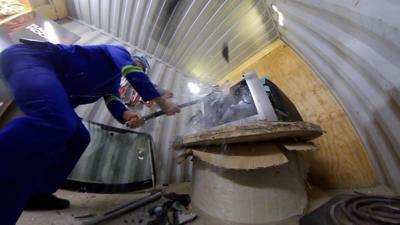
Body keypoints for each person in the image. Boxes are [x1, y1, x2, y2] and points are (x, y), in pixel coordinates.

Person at [0, 40, 180, 225]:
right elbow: (130, 69)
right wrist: (162, 102)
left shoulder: (111, 82)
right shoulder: (117, 51)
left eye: (140, 68)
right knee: (57, 121)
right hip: (30, 58)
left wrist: (128, 116)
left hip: (45, 77)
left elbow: (113, 101)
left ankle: (39, 193)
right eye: (137, 65)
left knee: (79, 138)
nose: (136, 68)